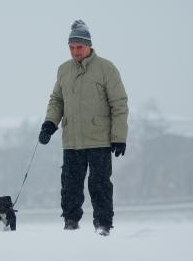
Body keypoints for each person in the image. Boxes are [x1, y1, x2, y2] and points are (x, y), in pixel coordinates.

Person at [39, 20, 128, 236]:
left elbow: (119, 103)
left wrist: (119, 136)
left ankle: (103, 227)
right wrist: (50, 123)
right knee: (70, 187)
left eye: (79, 47)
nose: (75, 52)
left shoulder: (106, 68)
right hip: (72, 140)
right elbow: (57, 100)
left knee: (99, 186)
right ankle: (70, 224)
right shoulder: (64, 70)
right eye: (71, 47)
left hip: (99, 140)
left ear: (89, 45)